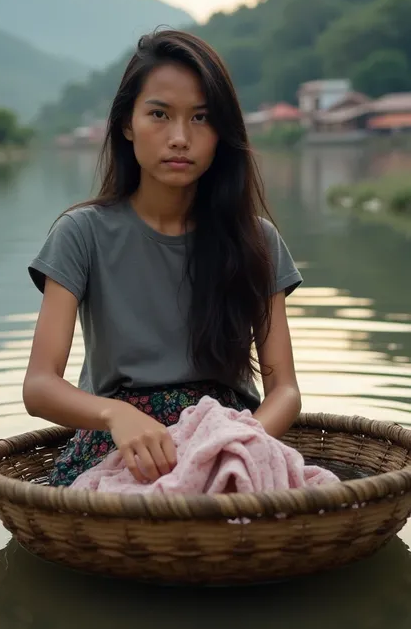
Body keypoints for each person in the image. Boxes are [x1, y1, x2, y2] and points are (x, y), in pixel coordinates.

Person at [23, 29, 303, 488]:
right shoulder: (81, 234)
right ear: (127, 124)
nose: (179, 137)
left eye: (201, 118)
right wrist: (115, 415)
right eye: (159, 114)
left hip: (230, 437)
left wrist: (239, 438)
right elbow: (39, 386)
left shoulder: (257, 240)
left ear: (221, 133)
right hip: (123, 442)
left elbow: (285, 390)